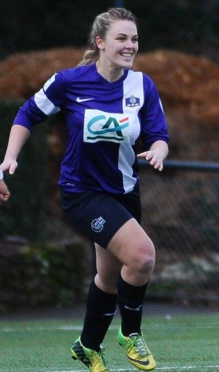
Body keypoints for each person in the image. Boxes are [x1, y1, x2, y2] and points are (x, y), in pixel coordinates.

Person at [0, 8, 169, 372]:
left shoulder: (142, 86)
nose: (130, 46)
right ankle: (131, 333)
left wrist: (157, 151)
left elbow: (159, 136)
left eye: (134, 39)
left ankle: (88, 345)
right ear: (101, 42)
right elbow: (27, 114)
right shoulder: (69, 81)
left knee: (108, 277)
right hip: (81, 194)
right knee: (142, 257)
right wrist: (9, 158)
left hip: (125, 191)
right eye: (122, 38)